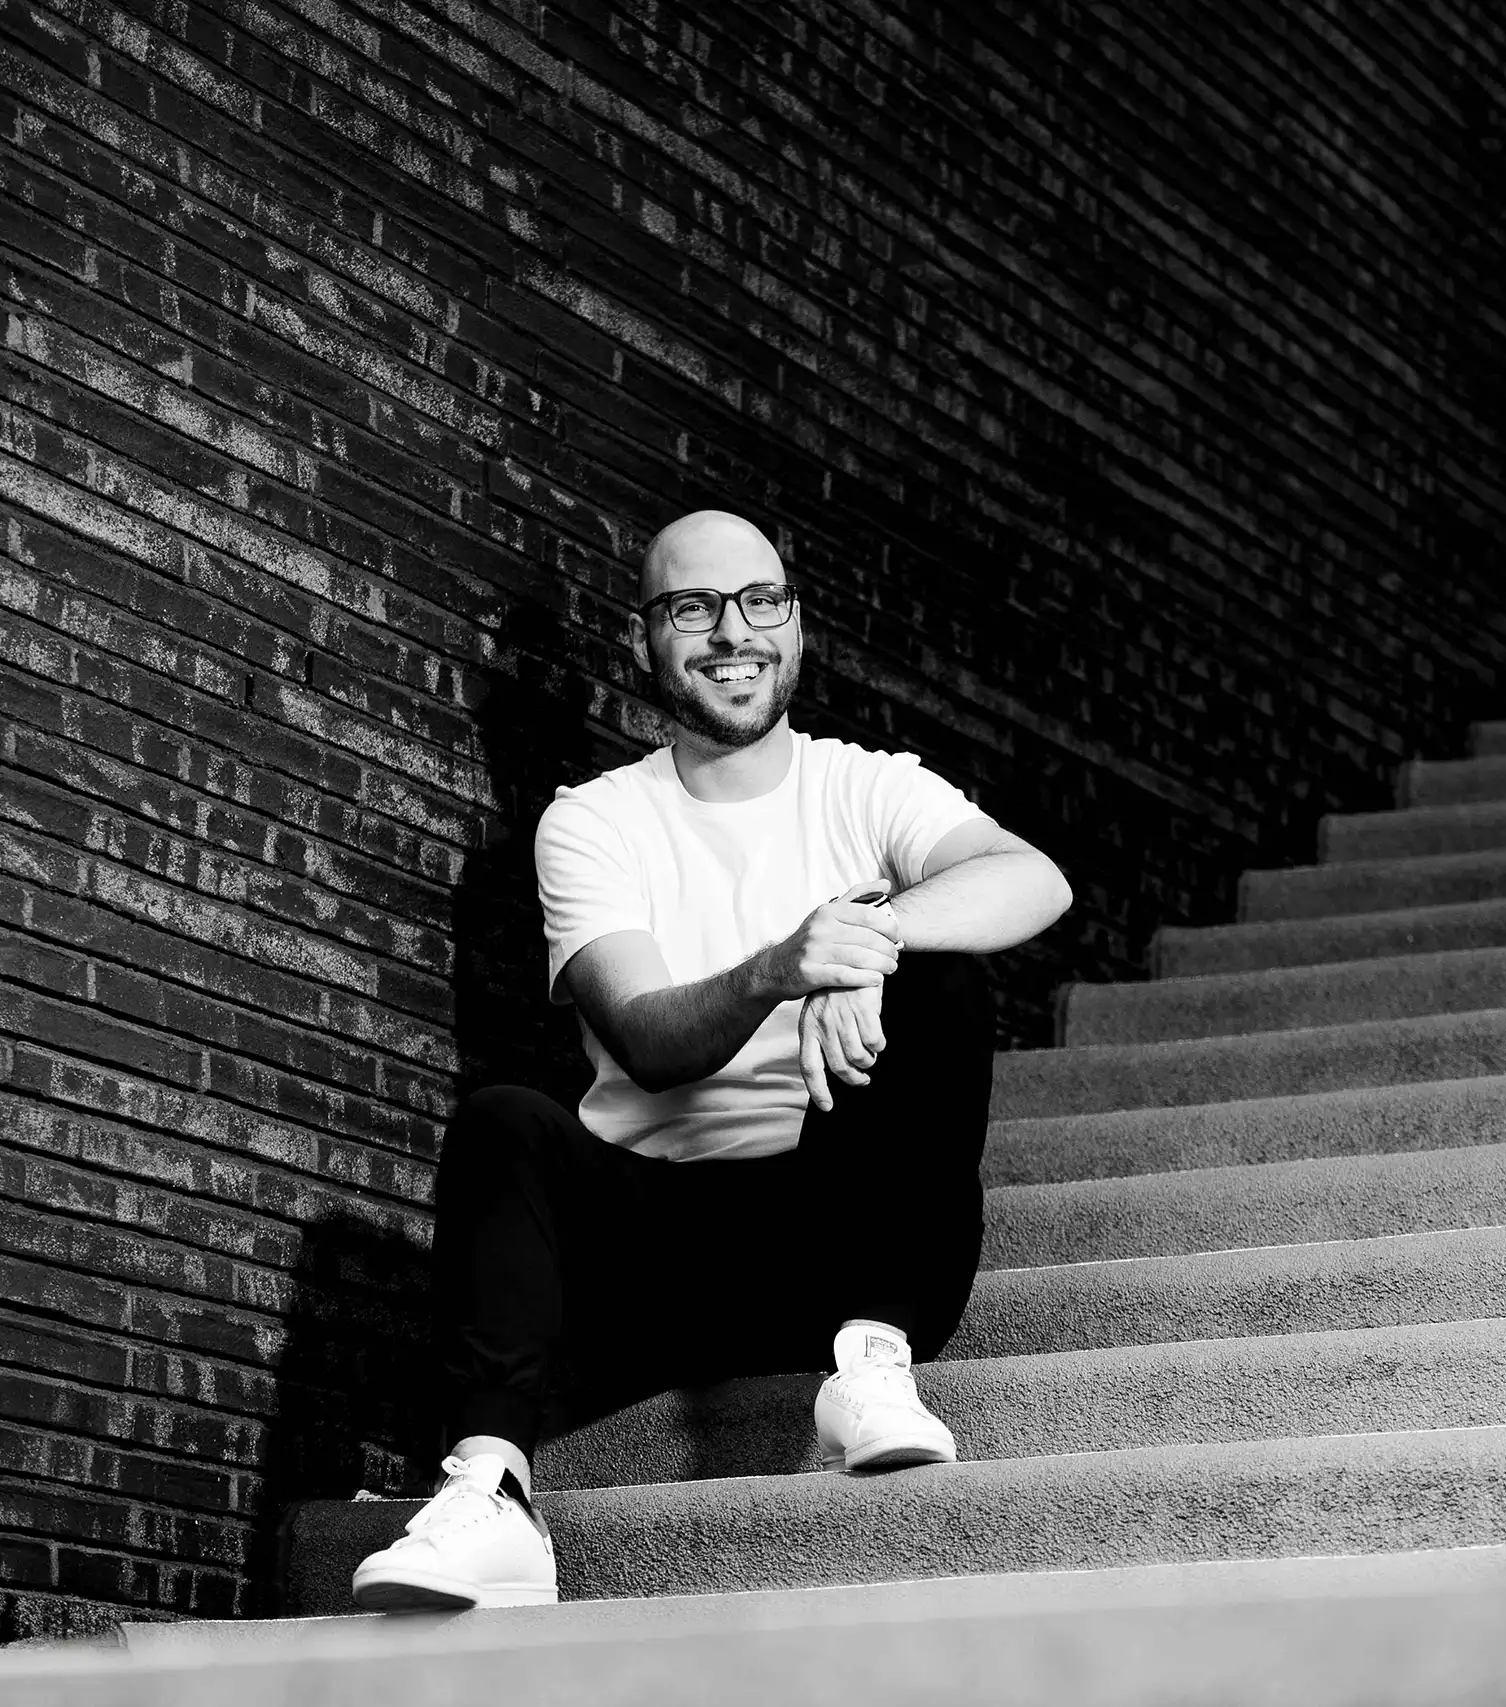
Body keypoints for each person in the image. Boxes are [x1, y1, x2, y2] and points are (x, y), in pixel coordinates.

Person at [350, 510, 1073, 1610]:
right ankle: (490, 1496)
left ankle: (871, 1365)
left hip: (838, 1231)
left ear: (795, 623)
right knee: (503, 1120)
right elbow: (648, 1041)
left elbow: (1032, 880)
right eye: (695, 608)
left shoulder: (865, 786)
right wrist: (784, 966)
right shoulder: (593, 822)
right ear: (647, 637)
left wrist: (868, 941)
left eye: (760, 602)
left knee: (939, 976)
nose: (734, 632)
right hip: (650, 1260)